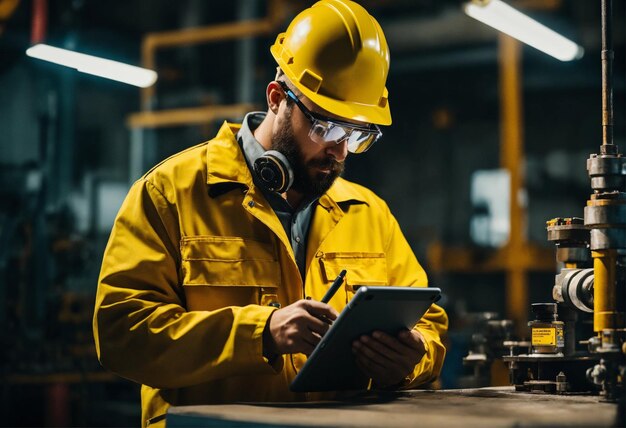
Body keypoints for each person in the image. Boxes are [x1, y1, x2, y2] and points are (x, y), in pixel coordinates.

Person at [93, 1, 448, 426]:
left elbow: (429, 325)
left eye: (357, 135)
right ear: (278, 98)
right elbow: (121, 334)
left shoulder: (368, 213)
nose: (338, 150)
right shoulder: (172, 194)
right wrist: (261, 333)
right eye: (326, 127)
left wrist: (411, 360)